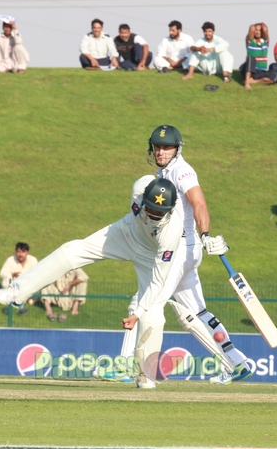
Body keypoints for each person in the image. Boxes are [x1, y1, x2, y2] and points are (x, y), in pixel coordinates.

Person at [0, 177, 183, 389]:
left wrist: (137, 313)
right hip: (125, 232)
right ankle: (17, 292)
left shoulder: (172, 232)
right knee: (70, 251)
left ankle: (145, 376)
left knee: (153, 312)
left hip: (151, 255)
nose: (154, 215)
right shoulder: (139, 188)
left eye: (160, 212)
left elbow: (158, 281)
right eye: (151, 209)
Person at [105, 126, 253, 386]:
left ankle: (125, 367)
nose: (160, 151)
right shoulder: (163, 172)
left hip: (181, 249)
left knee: (144, 301)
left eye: (166, 147)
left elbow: (199, 203)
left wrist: (206, 233)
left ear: (177, 148)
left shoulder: (182, 171)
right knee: (196, 313)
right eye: (157, 147)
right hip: (186, 250)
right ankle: (237, 363)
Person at [241, 23, 277, 90]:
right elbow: (251, 28)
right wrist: (257, 26)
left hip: (260, 71)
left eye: (260, 30)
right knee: (251, 58)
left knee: (274, 77)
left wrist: (262, 25)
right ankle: (247, 83)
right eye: (256, 30)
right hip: (249, 68)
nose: (258, 32)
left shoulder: (265, 42)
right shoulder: (250, 41)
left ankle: (253, 81)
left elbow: (265, 29)